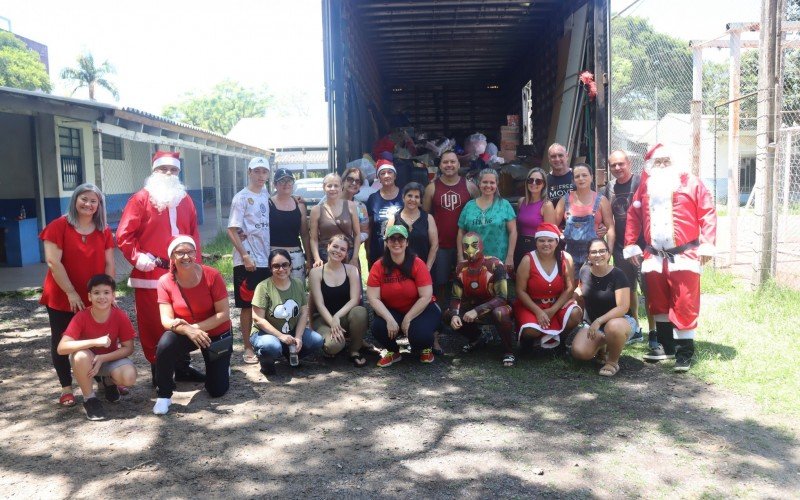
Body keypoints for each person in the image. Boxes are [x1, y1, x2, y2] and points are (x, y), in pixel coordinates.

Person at [624, 144, 717, 372]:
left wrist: (707, 245)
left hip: (684, 254)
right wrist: (631, 244)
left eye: (667, 161)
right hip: (654, 256)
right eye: (658, 162)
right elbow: (634, 215)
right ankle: (667, 347)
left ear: (675, 162)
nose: (663, 165)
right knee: (658, 301)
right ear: (651, 165)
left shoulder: (692, 183)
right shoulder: (645, 186)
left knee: (684, 301)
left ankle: (685, 352)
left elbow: (707, 213)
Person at [117, 151, 204, 384]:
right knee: (153, 322)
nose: (168, 174)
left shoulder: (185, 200)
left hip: (183, 271)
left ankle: (183, 367)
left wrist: (198, 267)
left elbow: (194, 234)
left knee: (184, 317)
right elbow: (124, 235)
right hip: (151, 272)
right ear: (154, 171)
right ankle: (160, 374)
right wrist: (138, 258)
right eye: (163, 169)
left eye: (173, 170)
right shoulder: (140, 199)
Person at [40, 183, 115, 408]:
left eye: (94, 201)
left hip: (96, 296)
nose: (88, 204)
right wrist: (71, 292)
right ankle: (66, 388)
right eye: (84, 199)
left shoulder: (104, 230)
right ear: (75, 199)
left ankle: (104, 380)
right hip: (63, 295)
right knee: (62, 340)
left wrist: (110, 293)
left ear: (99, 205)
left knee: (99, 336)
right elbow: (53, 261)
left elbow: (109, 263)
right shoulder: (58, 226)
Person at [154, 236, 233, 415]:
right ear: (172, 256)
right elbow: (166, 321)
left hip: (215, 332)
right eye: (180, 252)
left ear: (196, 253)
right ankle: (164, 395)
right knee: (165, 343)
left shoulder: (212, 275)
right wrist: (189, 330)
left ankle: (223, 364)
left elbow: (223, 314)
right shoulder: (165, 281)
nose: (186, 256)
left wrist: (195, 328)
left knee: (216, 390)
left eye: (190, 251)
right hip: (187, 332)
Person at [57, 274, 137, 420]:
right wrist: (94, 342)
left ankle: (108, 382)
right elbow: (61, 348)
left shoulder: (119, 315)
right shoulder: (81, 316)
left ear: (113, 296)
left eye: (106, 293)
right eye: (96, 293)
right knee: (80, 355)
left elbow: (129, 348)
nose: (102, 297)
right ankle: (90, 399)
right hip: (87, 363)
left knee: (129, 376)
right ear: (89, 296)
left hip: (109, 360)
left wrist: (103, 357)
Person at [367, 225, 441, 367]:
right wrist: (389, 319)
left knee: (419, 335)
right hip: (394, 310)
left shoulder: (417, 263)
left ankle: (425, 347)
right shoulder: (378, 266)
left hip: (421, 309)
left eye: (401, 238)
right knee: (378, 327)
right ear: (386, 242)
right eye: (392, 239)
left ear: (407, 242)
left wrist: (408, 318)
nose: (396, 242)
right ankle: (393, 352)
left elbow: (426, 296)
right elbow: (373, 298)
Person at [445, 232, 515, 366]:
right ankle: (478, 337)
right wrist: (454, 315)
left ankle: (508, 351)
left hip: (496, 307)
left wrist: (477, 311)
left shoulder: (495, 265)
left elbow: (502, 297)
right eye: (466, 246)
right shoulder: (461, 267)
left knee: (500, 313)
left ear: (481, 246)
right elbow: (456, 297)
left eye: (474, 245)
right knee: (448, 314)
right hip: (473, 307)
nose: (470, 250)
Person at [250, 249, 324, 376]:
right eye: (276, 266)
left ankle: (290, 354)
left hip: (290, 331)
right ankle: (266, 362)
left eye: (285, 265)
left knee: (317, 341)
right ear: (270, 268)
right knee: (271, 346)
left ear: (290, 266)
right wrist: (281, 336)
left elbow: (303, 312)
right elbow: (258, 319)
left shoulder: (298, 284)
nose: (281, 269)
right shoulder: (263, 287)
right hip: (265, 333)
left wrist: (299, 337)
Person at [569, 239, 636, 377]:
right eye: (593, 252)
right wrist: (573, 299)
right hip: (593, 324)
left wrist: (599, 321)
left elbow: (623, 307)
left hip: (620, 321)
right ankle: (603, 345)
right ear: (588, 256)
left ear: (608, 254)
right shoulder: (585, 270)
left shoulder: (618, 275)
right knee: (580, 352)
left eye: (602, 251)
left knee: (613, 327)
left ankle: (612, 362)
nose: (598, 255)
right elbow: (581, 288)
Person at [228, 157, 272, 365]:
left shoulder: (265, 195)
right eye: (257, 171)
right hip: (248, 260)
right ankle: (247, 346)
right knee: (247, 305)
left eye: (264, 171)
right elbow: (232, 229)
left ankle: (266, 342)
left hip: (266, 259)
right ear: (249, 172)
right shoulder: (241, 198)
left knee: (266, 303)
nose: (261, 175)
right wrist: (245, 255)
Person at [603, 150, 649, 343]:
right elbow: (606, 217)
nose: (617, 168)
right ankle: (635, 327)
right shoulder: (609, 188)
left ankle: (657, 331)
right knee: (628, 289)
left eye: (621, 164)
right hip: (621, 246)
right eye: (613, 165)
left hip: (644, 246)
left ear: (629, 163)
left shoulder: (640, 182)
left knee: (648, 288)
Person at [514, 223, 583, 351]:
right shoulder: (527, 260)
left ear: (557, 242)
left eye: (550, 240)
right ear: (536, 242)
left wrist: (553, 310)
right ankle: (530, 342)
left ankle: (561, 341)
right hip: (531, 305)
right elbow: (520, 291)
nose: (546, 244)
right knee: (531, 330)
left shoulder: (565, 258)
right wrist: (538, 312)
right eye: (541, 240)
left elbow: (569, 287)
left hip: (557, 303)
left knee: (575, 313)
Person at [423, 150, 479, 303]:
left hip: (467, 245)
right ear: (440, 165)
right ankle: (442, 316)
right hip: (440, 245)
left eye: (452, 162)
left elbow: (481, 211)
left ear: (458, 164)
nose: (449, 165)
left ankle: (465, 317)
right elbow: (425, 216)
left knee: (467, 281)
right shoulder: (431, 188)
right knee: (440, 283)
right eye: (445, 162)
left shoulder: (470, 187)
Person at [308, 235, 368, 367]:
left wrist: (337, 317)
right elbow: (319, 303)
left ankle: (354, 350)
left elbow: (354, 299)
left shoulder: (352, 270)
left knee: (360, 311)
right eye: (335, 246)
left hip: (343, 317)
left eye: (343, 249)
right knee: (333, 346)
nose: (338, 251)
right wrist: (332, 321)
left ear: (346, 253)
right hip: (323, 319)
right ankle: (333, 343)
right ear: (327, 247)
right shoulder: (316, 272)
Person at [554, 163, 614, 276]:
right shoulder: (565, 200)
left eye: (584, 175)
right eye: (577, 176)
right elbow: (551, 226)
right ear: (573, 180)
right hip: (570, 254)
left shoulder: (601, 200)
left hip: (595, 253)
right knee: (571, 287)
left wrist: (608, 251)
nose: (581, 179)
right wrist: (560, 233)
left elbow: (610, 227)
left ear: (591, 177)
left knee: (593, 286)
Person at [456, 168, 517, 274]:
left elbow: (513, 232)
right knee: (475, 287)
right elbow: (461, 232)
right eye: (485, 182)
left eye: (492, 182)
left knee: (498, 288)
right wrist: (460, 256)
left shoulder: (504, 205)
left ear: (497, 184)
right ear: (479, 183)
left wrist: (510, 257)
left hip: (498, 260)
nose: (488, 185)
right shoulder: (469, 206)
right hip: (472, 259)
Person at [310, 173, 361, 267]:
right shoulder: (316, 210)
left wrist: (354, 258)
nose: (333, 189)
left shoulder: (351, 206)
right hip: (326, 256)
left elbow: (357, 234)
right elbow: (313, 238)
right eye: (329, 186)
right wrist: (317, 259)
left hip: (348, 255)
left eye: (336, 185)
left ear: (341, 187)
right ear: (324, 187)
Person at [269, 167, 310, 280]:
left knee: (297, 293)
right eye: (282, 181)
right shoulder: (267, 204)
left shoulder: (300, 205)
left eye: (289, 180)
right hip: (274, 256)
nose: (286, 184)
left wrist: (309, 259)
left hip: (296, 256)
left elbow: (305, 234)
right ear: (275, 184)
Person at [387, 182, 439, 271]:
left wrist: (427, 268)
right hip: (400, 270)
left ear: (420, 200)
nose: (413, 199)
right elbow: (387, 244)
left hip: (424, 269)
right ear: (403, 197)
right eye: (410, 196)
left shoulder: (428, 218)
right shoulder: (393, 219)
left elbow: (434, 245)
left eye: (417, 197)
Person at [514, 167, 556, 269]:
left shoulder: (546, 205)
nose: (533, 183)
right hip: (520, 245)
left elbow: (551, 234)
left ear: (543, 185)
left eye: (538, 181)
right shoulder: (521, 202)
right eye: (530, 180)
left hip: (537, 247)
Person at [365, 160, 403, 266]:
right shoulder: (373, 199)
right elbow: (369, 226)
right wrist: (367, 249)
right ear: (379, 179)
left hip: (400, 247)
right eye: (382, 173)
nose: (386, 175)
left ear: (395, 176)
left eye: (390, 172)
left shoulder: (405, 195)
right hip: (378, 248)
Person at [341, 166, 371, 267]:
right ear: (343, 181)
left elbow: (365, 232)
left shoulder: (361, 207)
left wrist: (352, 240)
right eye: (350, 179)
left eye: (358, 181)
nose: (354, 183)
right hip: (330, 252)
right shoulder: (329, 200)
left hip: (351, 254)